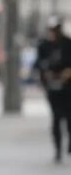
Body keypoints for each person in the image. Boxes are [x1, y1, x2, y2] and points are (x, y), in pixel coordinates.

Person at [33, 16, 71, 163]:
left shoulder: (68, 44)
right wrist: (45, 75)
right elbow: (38, 64)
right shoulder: (44, 45)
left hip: (67, 86)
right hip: (52, 86)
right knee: (56, 117)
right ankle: (58, 149)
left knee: (69, 116)